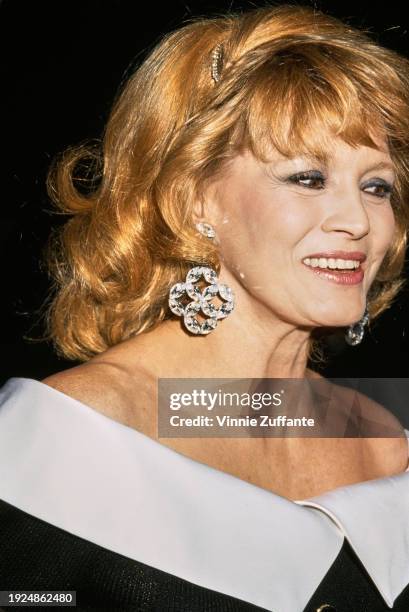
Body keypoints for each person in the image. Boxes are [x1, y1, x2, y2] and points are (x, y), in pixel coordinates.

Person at [0, 4, 409, 611]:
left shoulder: (385, 440)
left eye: (377, 186)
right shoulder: (66, 437)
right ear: (193, 198)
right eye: (306, 178)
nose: (358, 221)